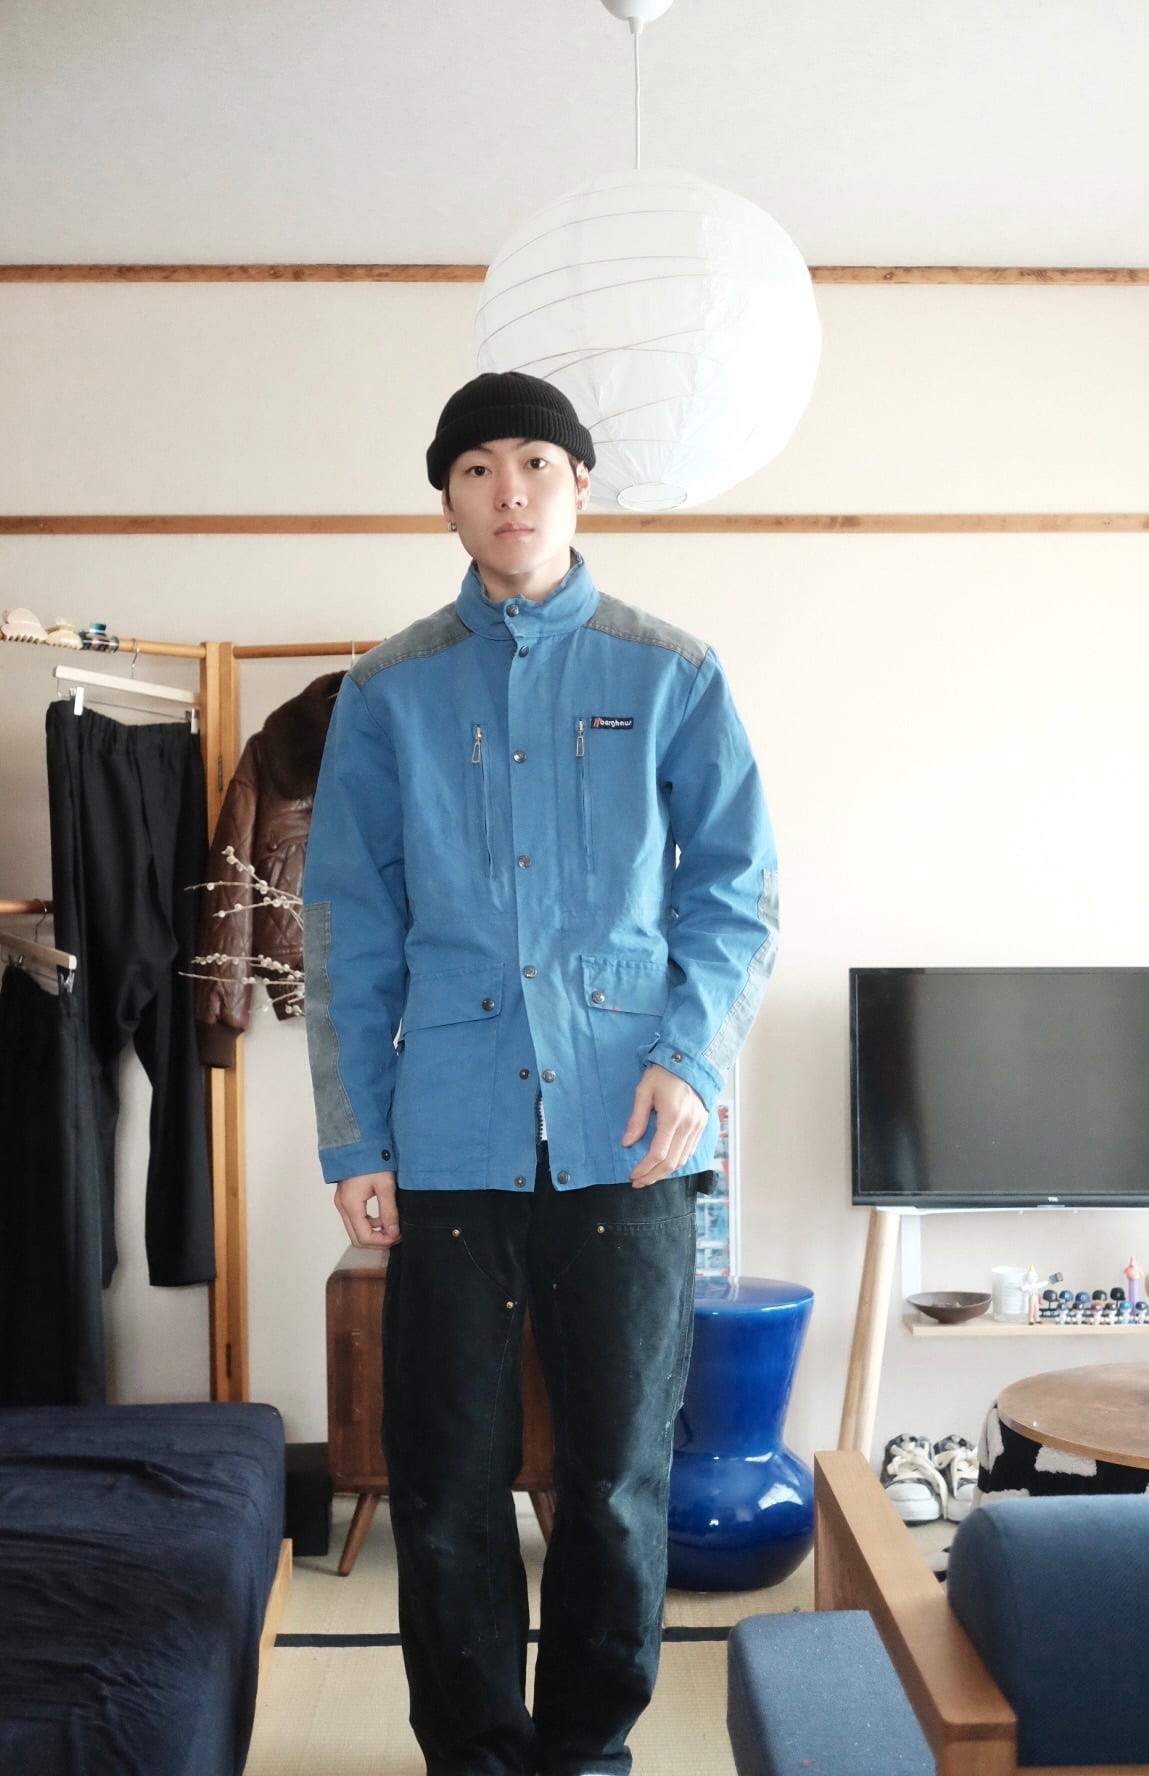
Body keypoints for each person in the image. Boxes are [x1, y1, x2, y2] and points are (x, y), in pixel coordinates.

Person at [304, 370, 779, 1776]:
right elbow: (346, 928)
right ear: (446, 502)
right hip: (449, 1141)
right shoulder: (387, 691)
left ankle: (587, 1753)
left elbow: (738, 894)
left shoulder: (670, 670)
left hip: (629, 1135)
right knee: (446, 1482)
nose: (507, 492)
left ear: (579, 484)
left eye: (533, 463)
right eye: (475, 471)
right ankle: (473, 1756)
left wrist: (692, 1059)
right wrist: (354, 1139)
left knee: (620, 1481)